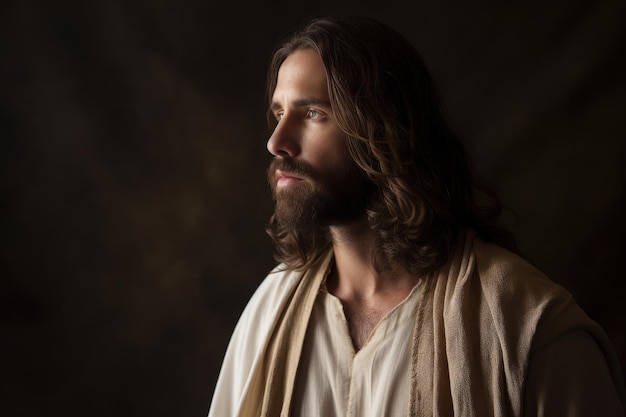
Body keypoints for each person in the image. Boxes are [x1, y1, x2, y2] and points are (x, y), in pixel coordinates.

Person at [208, 16, 626, 417]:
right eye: (279, 113)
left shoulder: (525, 326)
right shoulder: (270, 311)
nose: (276, 142)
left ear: (385, 129)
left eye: (313, 113)